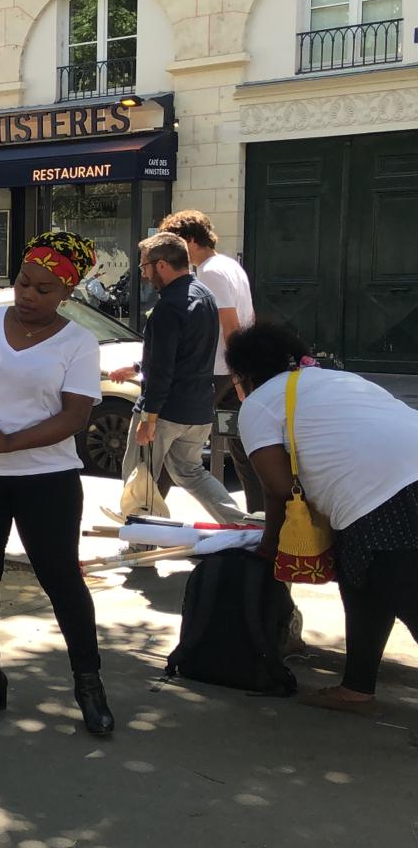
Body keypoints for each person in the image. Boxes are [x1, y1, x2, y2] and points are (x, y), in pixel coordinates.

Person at [0, 230, 115, 736]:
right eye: (22, 283)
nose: (28, 296)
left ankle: (89, 685)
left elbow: (76, 416)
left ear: (67, 293)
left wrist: (13, 443)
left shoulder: (78, 342)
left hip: (46, 479)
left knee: (61, 580)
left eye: (43, 290)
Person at [230, 321, 418, 715]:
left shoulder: (260, 402)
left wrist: (270, 543)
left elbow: (278, 487)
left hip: (382, 498)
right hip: (395, 479)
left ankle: (358, 686)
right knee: (361, 583)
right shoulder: (336, 379)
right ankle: (357, 687)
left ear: (244, 375)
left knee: (406, 595)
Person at [109, 233, 246, 524]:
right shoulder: (204, 295)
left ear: (161, 265)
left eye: (145, 267)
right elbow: (185, 352)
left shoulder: (167, 308)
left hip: (167, 409)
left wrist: (149, 417)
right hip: (198, 408)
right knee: (190, 472)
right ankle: (239, 522)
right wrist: (136, 367)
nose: (144, 274)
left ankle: (140, 539)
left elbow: (162, 369)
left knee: (138, 475)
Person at [161, 209, 262, 511]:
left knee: (173, 442)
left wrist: (241, 373)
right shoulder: (230, 266)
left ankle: (144, 515)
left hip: (216, 371)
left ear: (191, 240)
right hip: (230, 370)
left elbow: (230, 323)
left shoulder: (210, 273)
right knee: (244, 448)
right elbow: (249, 319)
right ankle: (260, 519)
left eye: (176, 244)